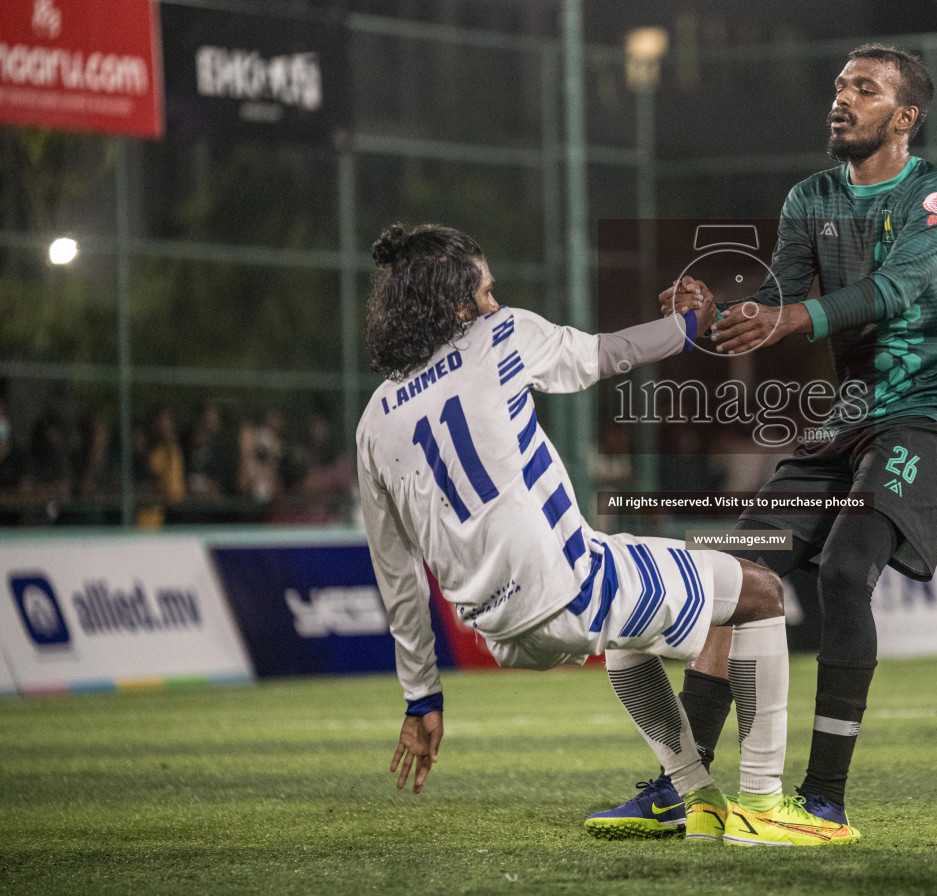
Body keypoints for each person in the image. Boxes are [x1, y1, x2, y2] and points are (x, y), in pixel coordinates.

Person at [356, 223, 856, 848]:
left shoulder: (374, 420)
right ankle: (764, 806)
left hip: (496, 633)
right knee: (758, 593)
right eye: (484, 292)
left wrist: (421, 697)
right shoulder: (499, 333)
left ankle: (696, 798)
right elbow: (608, 354)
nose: (493, 302)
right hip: (569, 588)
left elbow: (395, 572)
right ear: (455, 306)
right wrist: (691, 324)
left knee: (629, 633)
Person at [593, 44, 937, 838]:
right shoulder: (812, 196)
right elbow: (777, 297)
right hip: (847, 415)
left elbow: (893, 290)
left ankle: (825, 803)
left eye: (864, 89)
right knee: (740, 576)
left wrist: (787, 318)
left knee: (846, 571)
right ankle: (684, 789)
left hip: (929, 412)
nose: (841, 98)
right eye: (839, 84)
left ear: (904, 117)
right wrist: (709, 313)